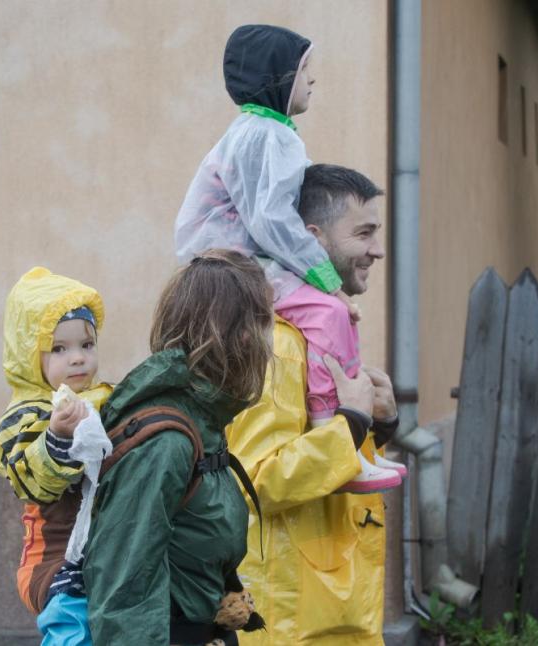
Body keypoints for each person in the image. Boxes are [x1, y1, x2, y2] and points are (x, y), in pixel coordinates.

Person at [174, 24, 399, 492]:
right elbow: (272, 219)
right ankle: (331, 427)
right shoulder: (267, 135)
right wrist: (321, 274)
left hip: (240, 260)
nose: (313, 80)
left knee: (335, 316)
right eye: (304, 70)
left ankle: (349, 441)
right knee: (329, 309)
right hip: (238, 264)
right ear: (277, 76)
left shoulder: (264, 133)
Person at [227, 164, 402, 644]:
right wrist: (353, 423)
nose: (377, 250)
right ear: (313, 236)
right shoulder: (279, 347)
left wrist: (378, 428)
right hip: (289, 618)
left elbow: (334, 459)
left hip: (334, 611)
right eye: (363, 233)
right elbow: (255, 478)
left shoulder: (324, 330)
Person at [82, 250, 273, 645]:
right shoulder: (167, 443)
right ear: (235, 335)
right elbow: (123, 593)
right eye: (263, 323)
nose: (268, 340)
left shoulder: (206, 421)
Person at [0, 266, 113, 643]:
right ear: (29, 356)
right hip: (53, 557)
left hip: (105, 549)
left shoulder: (105, 399)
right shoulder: (25, 416)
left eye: (86, 345)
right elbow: (32, 481)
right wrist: (56, 434)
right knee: (72, 621)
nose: (77, 359)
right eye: (59, 349)